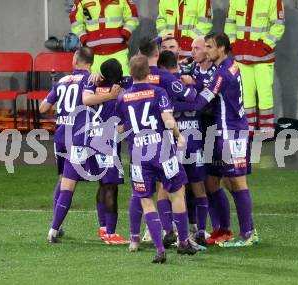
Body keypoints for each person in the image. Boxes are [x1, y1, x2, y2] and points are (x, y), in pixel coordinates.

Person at [175, 33, 259, 247]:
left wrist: (173, 104)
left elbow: (199, 103)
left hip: (231, 132)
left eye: (210, 47)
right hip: (224, 132)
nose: (207, 50)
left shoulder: (221, 74)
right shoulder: (232, 65)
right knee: (212, 181)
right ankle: (223, 229)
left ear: (221, 49)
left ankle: (249, 233)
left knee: (238, 183)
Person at [116, 55, 197, 263]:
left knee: (146, 201)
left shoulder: (123, 98)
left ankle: (160, 250)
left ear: (131, 72)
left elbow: (119, 129)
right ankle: (183, 242)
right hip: (163, 151)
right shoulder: (158, 92)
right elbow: (168, 120)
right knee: (177, 193)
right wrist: (179, 136)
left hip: (138, 156)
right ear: (148, 72)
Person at [39, 47, 120, 243]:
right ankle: (105, 230)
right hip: (80, 136)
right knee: (104, 182)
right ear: (91, 61)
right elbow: (90, 99)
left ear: (75, 59)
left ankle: (55, 225)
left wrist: (61, 113)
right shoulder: (91, 80)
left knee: (64, 181)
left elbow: (43, 108)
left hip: (60, 135)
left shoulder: (62, 81)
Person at [136, 37, 197, 248]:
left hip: (139, 146)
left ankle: (154, 233)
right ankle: (181, 238)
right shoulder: (165, 78)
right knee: (176, 190)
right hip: (165, 141)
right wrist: (188, 82)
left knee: (149, 193)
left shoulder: (131, 80)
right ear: (157, 54)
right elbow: (190, 96)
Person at [158, 49, 209, 248]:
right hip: (195, 139)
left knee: (165, 189)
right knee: (198, 187)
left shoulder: (165, 84)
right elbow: (198, 101)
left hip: (174, 143)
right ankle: (200, 230)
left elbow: (166, 110)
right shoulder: (190, 80)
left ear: (162, 67)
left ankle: (169, 230)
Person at [84, 58, 132, 244]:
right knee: (111, 186)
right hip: (108, 143)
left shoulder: (95, 86)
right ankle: (111, 234)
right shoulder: (118, 92)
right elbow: (120, 128)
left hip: (92, 140)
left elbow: (86, 99)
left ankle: (104, 229)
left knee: (103, 184)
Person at [224, 0, 285, 135]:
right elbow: (229, 24)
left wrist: (265, 46)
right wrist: (233, 44)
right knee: (246, 94)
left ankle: (266, 130)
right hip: (242, 56)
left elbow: (278, 26)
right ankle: (248, 128)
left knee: (265, 94)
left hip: (263, 57)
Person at [69, 0, 139, 75]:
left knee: (123, 83)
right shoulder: (82, 1)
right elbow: (75, 20)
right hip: (94, 56)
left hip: (118, 52)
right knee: (94, 85)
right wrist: (83, 38)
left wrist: (125, 34)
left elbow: (132, 16)